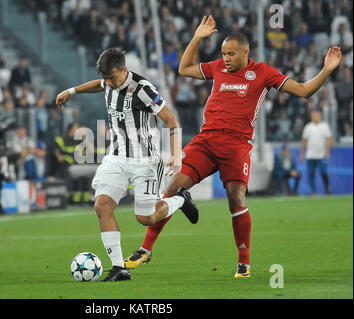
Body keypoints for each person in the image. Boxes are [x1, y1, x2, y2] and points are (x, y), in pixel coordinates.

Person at [124, 15, 342, 278]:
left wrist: (327, 70)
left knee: (235, 198)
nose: (225, 58)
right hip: (206, 141)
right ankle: (145, 249)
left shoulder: (263, 73)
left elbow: (305, 91)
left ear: (245, 53)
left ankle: (244, 263)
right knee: (172, 187)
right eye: (223, 53)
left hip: (237, 145)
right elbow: (184, 69)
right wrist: (196, 38)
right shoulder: (217, 68)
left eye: (230, 54)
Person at [56, 47, 198, 282]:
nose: (108, 84)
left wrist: (175, 154)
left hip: (146, 161)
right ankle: (119, 268)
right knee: (102, 206)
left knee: (146, 218)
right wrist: (72, 91)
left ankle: (180, 199)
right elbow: (97, 85)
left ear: (124, 70)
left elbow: (172, 120)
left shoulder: (143, 89)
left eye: (111, 78)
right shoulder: (109, 82)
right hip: (116, 157)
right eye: (105, 79)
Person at [300, 109, 333, 195]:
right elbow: (304, 141)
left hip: (321, 155)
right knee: (311, 174)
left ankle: (327, 188)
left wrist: (327, 151)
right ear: (311, 117)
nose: (315, 117)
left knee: (323, 172)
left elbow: (329, 139)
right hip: (310, 155)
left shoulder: (324, 126)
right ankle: (313, 191)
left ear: (320, 116)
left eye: (316, 115)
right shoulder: (308, 127)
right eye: (313, 116)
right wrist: (302, 153)